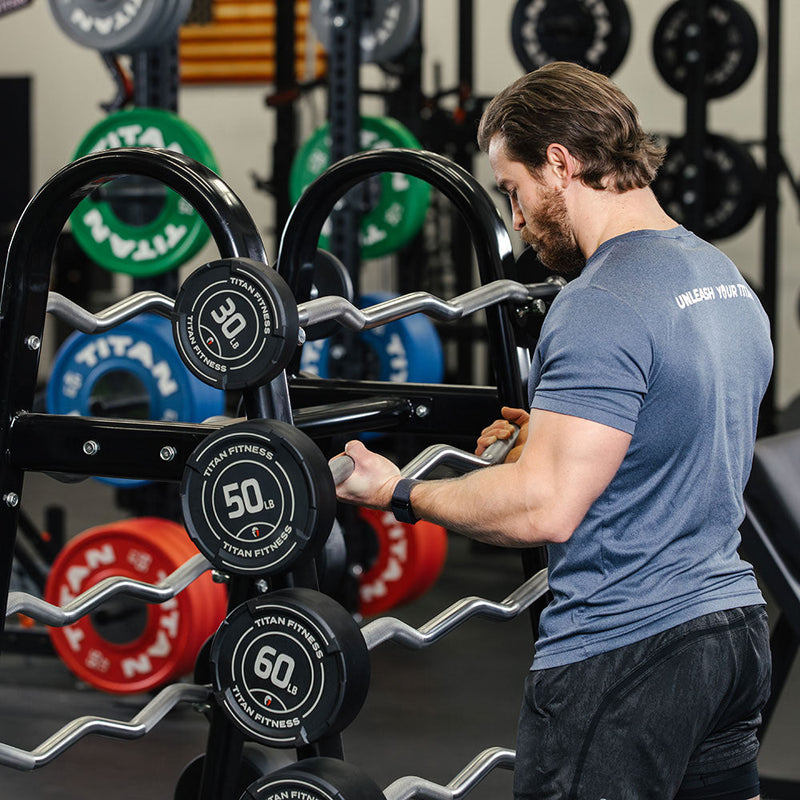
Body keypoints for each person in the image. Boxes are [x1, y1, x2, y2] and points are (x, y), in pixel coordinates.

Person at [333, 62, 773, 800]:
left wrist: (400, 490)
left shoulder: (600, 299)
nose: (516, 219)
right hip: (730, 635)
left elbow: (544, 508)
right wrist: (561, 431)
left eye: (514, 189)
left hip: (624, 653)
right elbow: (680, 430)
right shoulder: (720, 277)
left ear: (561, 165)